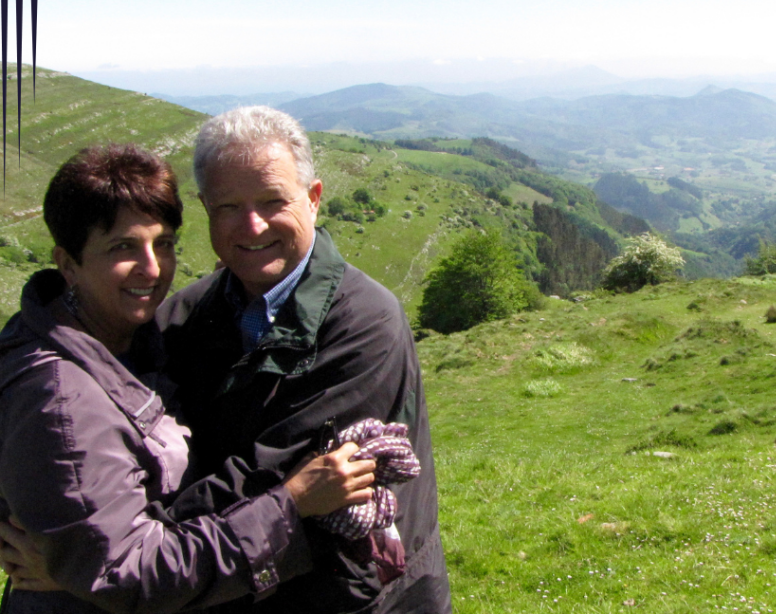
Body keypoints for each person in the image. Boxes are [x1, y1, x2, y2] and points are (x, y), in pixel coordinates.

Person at [0, 145, 377, 613]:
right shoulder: (59, 398)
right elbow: (130, 573)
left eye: (163, 243)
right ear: (68, 262)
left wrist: (69, 564)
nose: (153, 268)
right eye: (122, 247)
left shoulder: (129, 339)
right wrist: (287, 506)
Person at [156, 106, 451, 613]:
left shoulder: (364, 323)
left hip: (362, 598)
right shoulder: (181, 317)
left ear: (313, 199)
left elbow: (272, 474)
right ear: (205, 207)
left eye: (274, 201)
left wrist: (128, 542)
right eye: (229, 206)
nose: (252, 226)